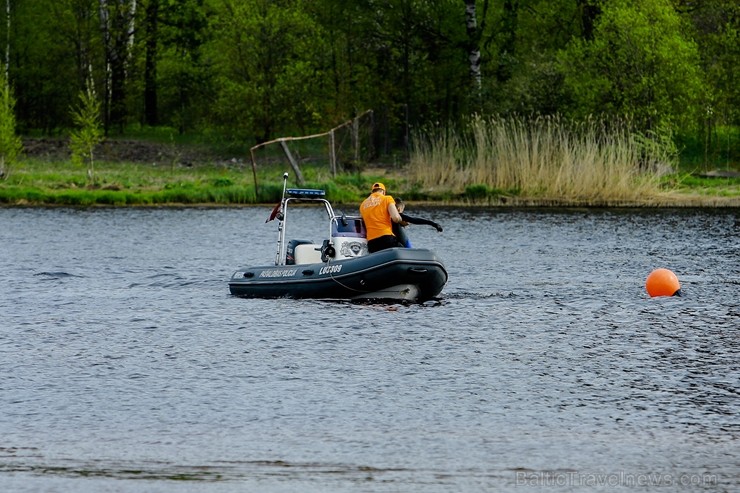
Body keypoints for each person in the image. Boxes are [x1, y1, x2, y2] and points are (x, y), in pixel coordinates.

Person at [360, 182, 405, 253]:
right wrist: (402, 221)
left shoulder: (363, 205)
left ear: (372, 192)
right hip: (386, 238)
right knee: (404, 252)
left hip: (372, 242)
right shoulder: (387, 198)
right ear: (383, 192)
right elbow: (396, 218)